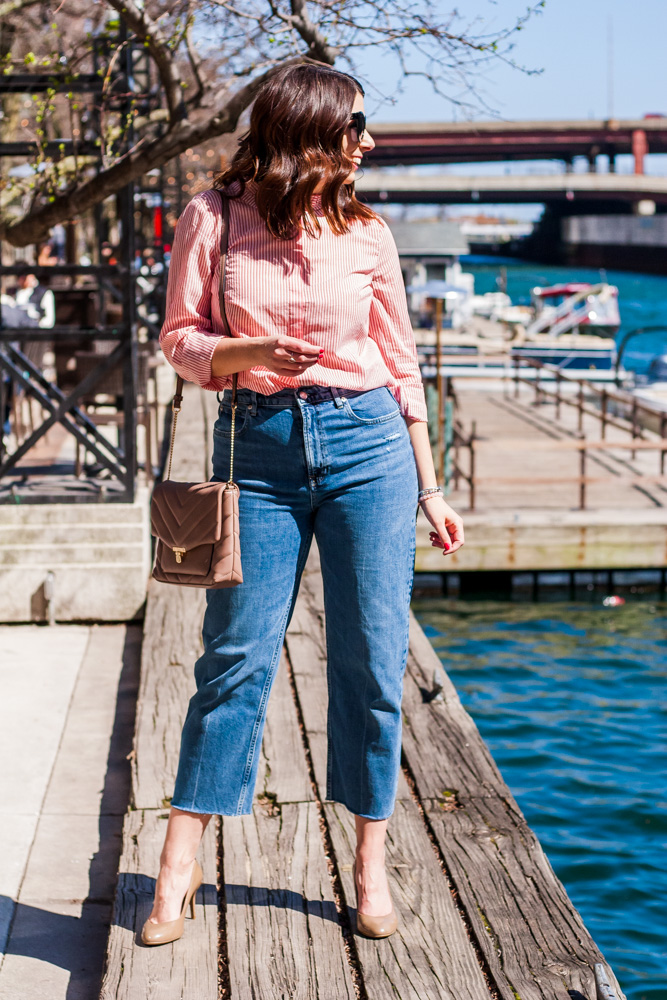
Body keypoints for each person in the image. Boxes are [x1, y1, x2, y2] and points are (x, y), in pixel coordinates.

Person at [143, 63, 464, 947]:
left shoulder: (368, 233)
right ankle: (178, 866)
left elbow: (402, 369)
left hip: (369, 449)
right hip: (257, 450)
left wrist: (430, 485)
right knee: (235, 657)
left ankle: (367, 862)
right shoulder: (215, 215)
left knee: (370, 660)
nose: (370, 141)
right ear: (309, 131)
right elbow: (179, 336)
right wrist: (247, 352)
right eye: (355, 125)